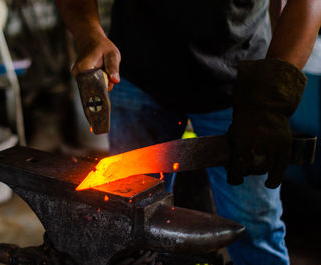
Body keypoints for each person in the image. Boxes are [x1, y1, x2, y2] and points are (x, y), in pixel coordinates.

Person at [54, 1, 321, 264]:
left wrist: (270, 103)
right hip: (134, 73)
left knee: (255, 228)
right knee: (131, 224)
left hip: (242, 85)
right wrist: (88, 33)